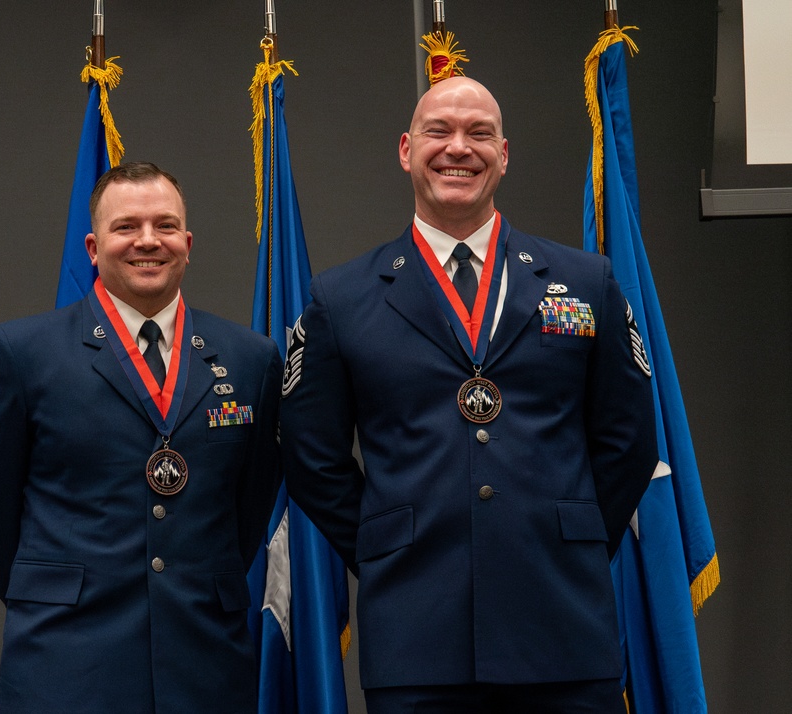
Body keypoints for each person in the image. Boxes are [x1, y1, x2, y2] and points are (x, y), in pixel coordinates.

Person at [280, 77, 659, 713]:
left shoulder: (583, 281)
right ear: (406, 150)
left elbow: (628, 439)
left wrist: (570, 534)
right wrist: (388, 539)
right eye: (440, 131)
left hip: (561, 623)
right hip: (416, 631)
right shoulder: (341, 299)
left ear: (504, 155)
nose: (460, 148)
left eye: (479, 133)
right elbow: (311, 458)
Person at [0, 162, 282, 713]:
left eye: (165, 225)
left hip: (205, 663)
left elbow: (249, 507)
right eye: (126, 226)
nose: (148, 241)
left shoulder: (251, 358)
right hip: (67, 660)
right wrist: (55, 590)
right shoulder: (23, 353)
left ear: (188, 242)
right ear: (92, 246)